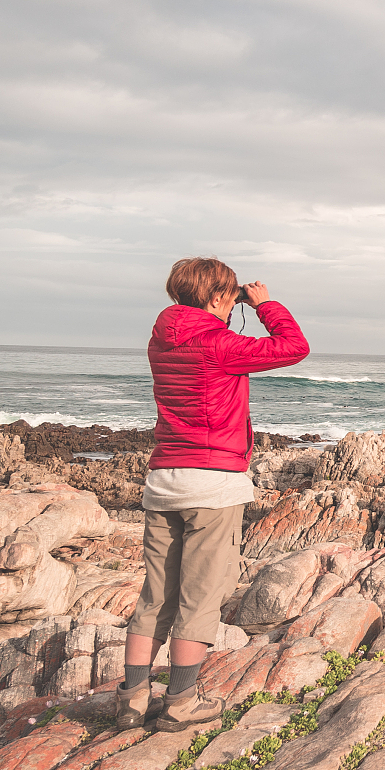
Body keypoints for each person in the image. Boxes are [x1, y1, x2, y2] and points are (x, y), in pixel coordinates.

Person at [121, 257, 310, 730]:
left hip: (163, 480)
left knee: (155, 596)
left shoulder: (160, 340)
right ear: (219, 297)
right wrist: (265, 305)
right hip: (213, 484)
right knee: (200, 598)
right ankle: (181, 702)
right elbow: (293, 347)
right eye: (229, 295)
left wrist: (225, 307)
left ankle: (131, 700)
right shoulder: (218, 343)